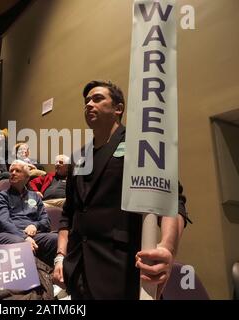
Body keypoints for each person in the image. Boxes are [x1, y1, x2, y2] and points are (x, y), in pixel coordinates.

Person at [53, 80, 188, 300]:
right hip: (78, 270)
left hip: (121, 271)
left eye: (97, 98)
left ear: (118, 108)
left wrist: (168, 247)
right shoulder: (78, 157)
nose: (88, 104)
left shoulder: (142, 144)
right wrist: (60, 256)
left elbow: (172, 201)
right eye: (86, 101)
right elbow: (69, 213)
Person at [0, 160, 57, 266]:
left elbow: (45, 220)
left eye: (17, 171)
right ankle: (36, 280)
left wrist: (35, 225)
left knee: (55, 239)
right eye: (11, 171)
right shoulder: (2, 196)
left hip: (33, 234)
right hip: (9, 234)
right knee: (23, 245)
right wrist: (24, 237)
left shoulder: (35, 196)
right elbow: (3, 222)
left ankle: (49, 277)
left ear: (27, 178)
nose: (13, 173)